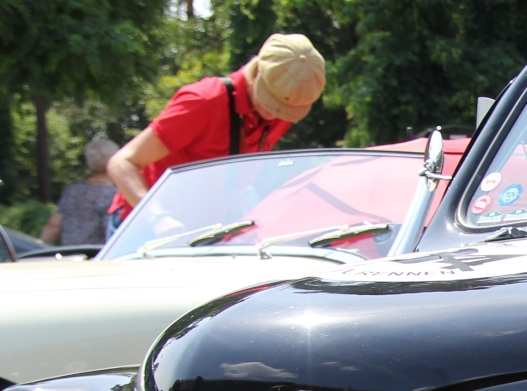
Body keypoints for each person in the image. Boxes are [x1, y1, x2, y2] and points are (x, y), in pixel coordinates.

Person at [105, 33, 326, 235]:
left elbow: (234, 180)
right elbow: (122, 163)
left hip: (204, 233)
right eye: (270, 102)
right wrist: (159, 220)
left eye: (286, 110)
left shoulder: (279, 110)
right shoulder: (204, 102)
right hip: (144, 229)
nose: (275, 114)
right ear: (257, 72)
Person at [40, 136, 118, 250]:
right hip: (96, 257)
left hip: (70, 256)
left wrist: (38, 250)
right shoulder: (112, 194)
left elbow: (53, 226)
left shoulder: (71, 191)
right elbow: (110, 232)